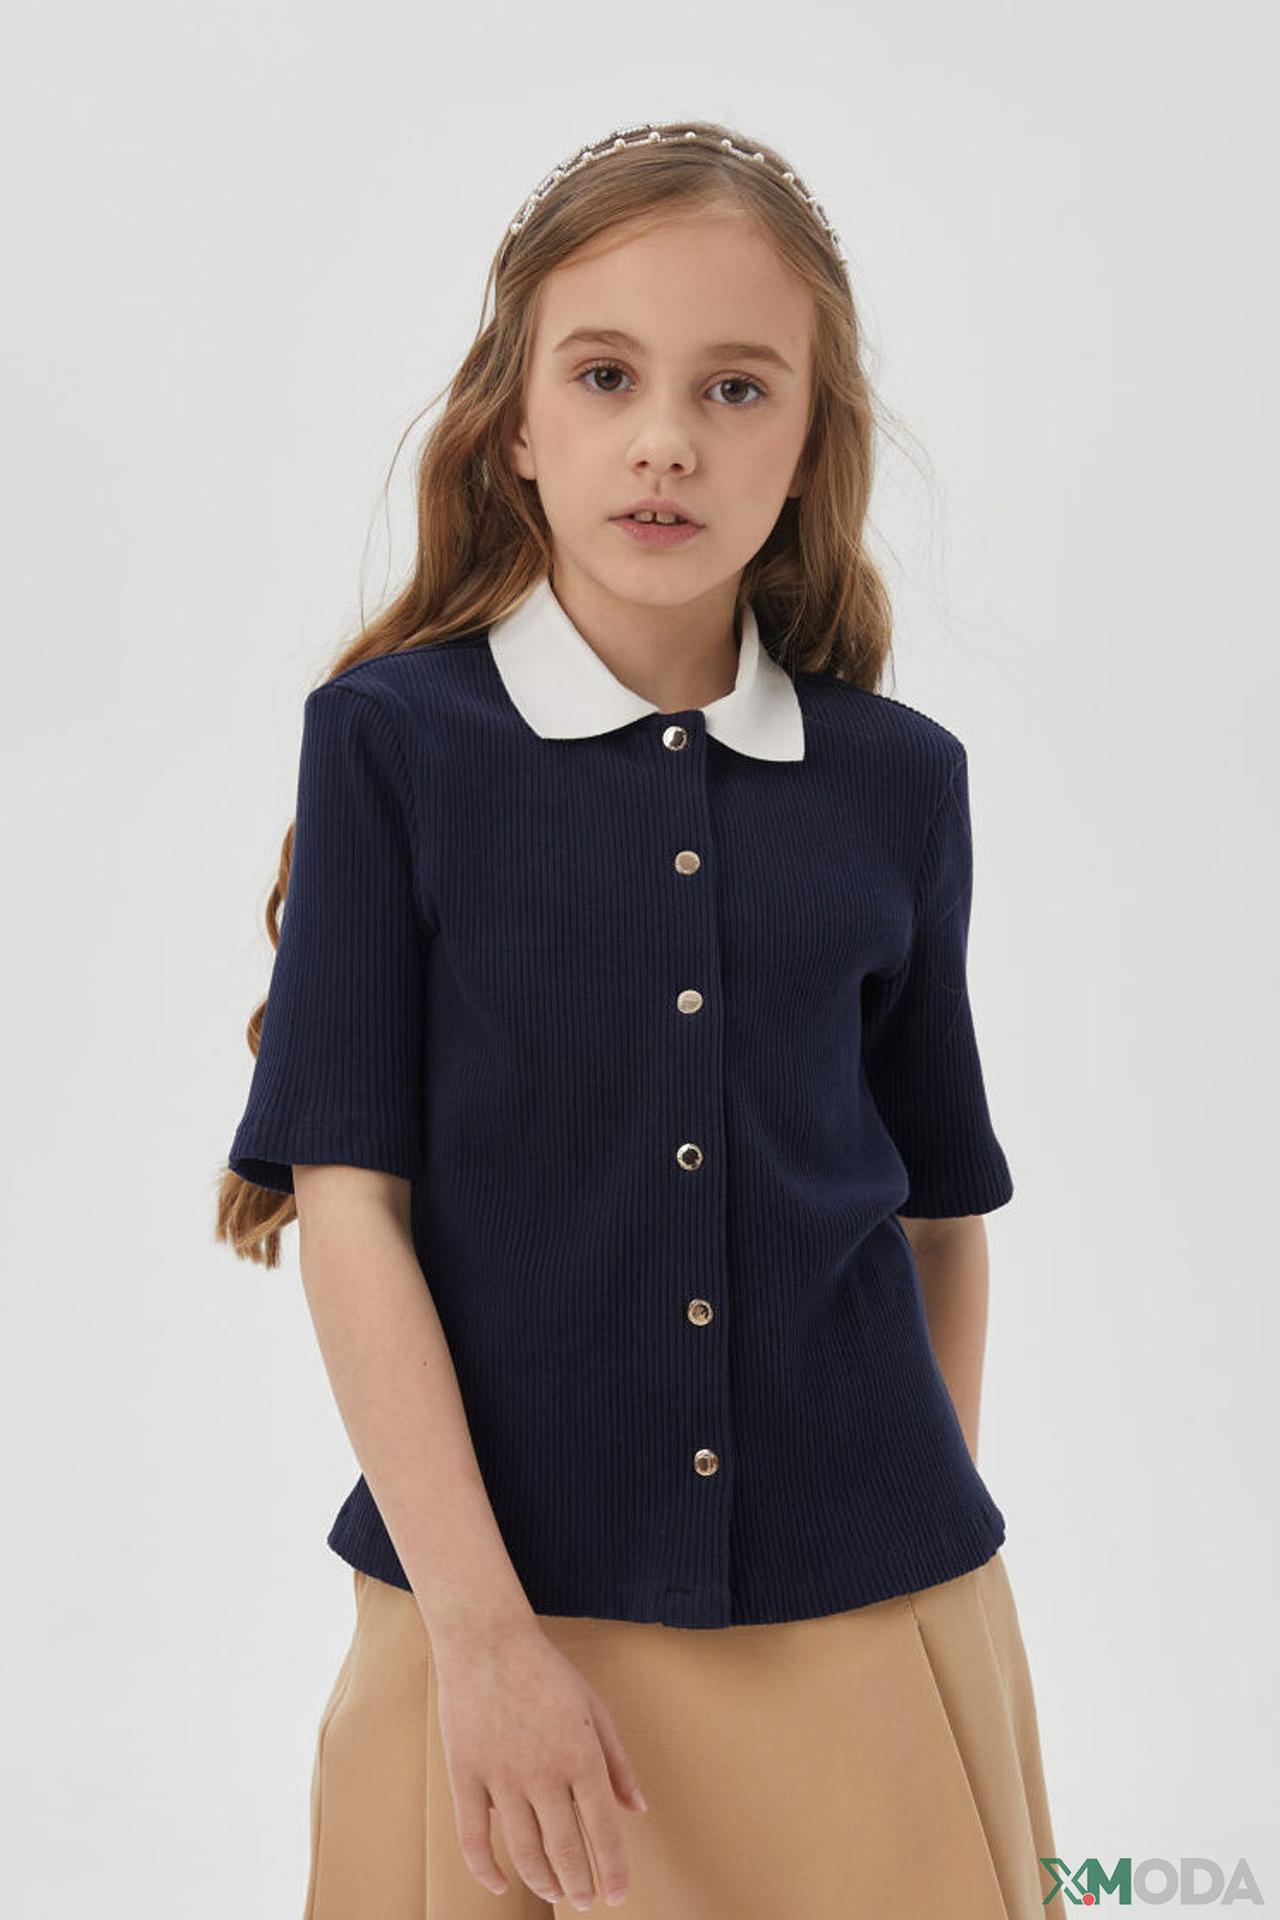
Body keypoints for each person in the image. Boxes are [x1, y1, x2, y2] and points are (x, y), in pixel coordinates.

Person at [216, 117, 1056, 1919]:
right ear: (518, 424)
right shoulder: (391, 749)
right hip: (495, 1635)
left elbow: (938, 1214)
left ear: (808, 444)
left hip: (874, 1631)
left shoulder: (899, 783)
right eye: (607, 376)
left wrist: (902, 1563)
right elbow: (349, 1209)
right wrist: (483, 1642)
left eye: (737, 388)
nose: (667, 437)